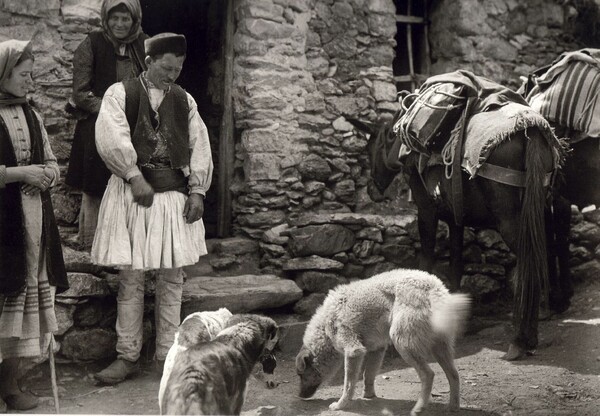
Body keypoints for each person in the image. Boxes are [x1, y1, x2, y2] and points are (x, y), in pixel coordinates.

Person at [91, 33, 214, 384]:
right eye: (166, 68)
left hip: (173, 199)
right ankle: (127, 355)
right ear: (149, 62)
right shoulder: (121, 93)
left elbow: (199, 146)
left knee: (172, 280)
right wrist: (132, 174)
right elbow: (110, 136)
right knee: (131, 279)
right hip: (135, 196)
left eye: (177, 69)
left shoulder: (184, 100)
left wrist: (198, 192)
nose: (172, 75)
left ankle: (169, 357)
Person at [0, 39, 69, 412]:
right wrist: (17, 173)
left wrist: (48, 174)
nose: (30, 82)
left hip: (32, 224)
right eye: (24, 75)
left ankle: (11, 386)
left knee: (24, 309)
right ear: (3, 74)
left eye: (32, 75)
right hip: (2, 227)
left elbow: (52, 161)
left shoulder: (32, 113)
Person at [65, 0, 148, 250]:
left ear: (135, 20)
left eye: (126, 19)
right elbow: (81, 92)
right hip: (98, 125)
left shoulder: (146, 44)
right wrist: (112, 110)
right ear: (106, 18)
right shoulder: (91, 44)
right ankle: (93, 245)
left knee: (132, 181)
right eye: (115, 18)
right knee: (96, 185)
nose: (120, 24)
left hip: (135, 127)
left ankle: (127, 247)